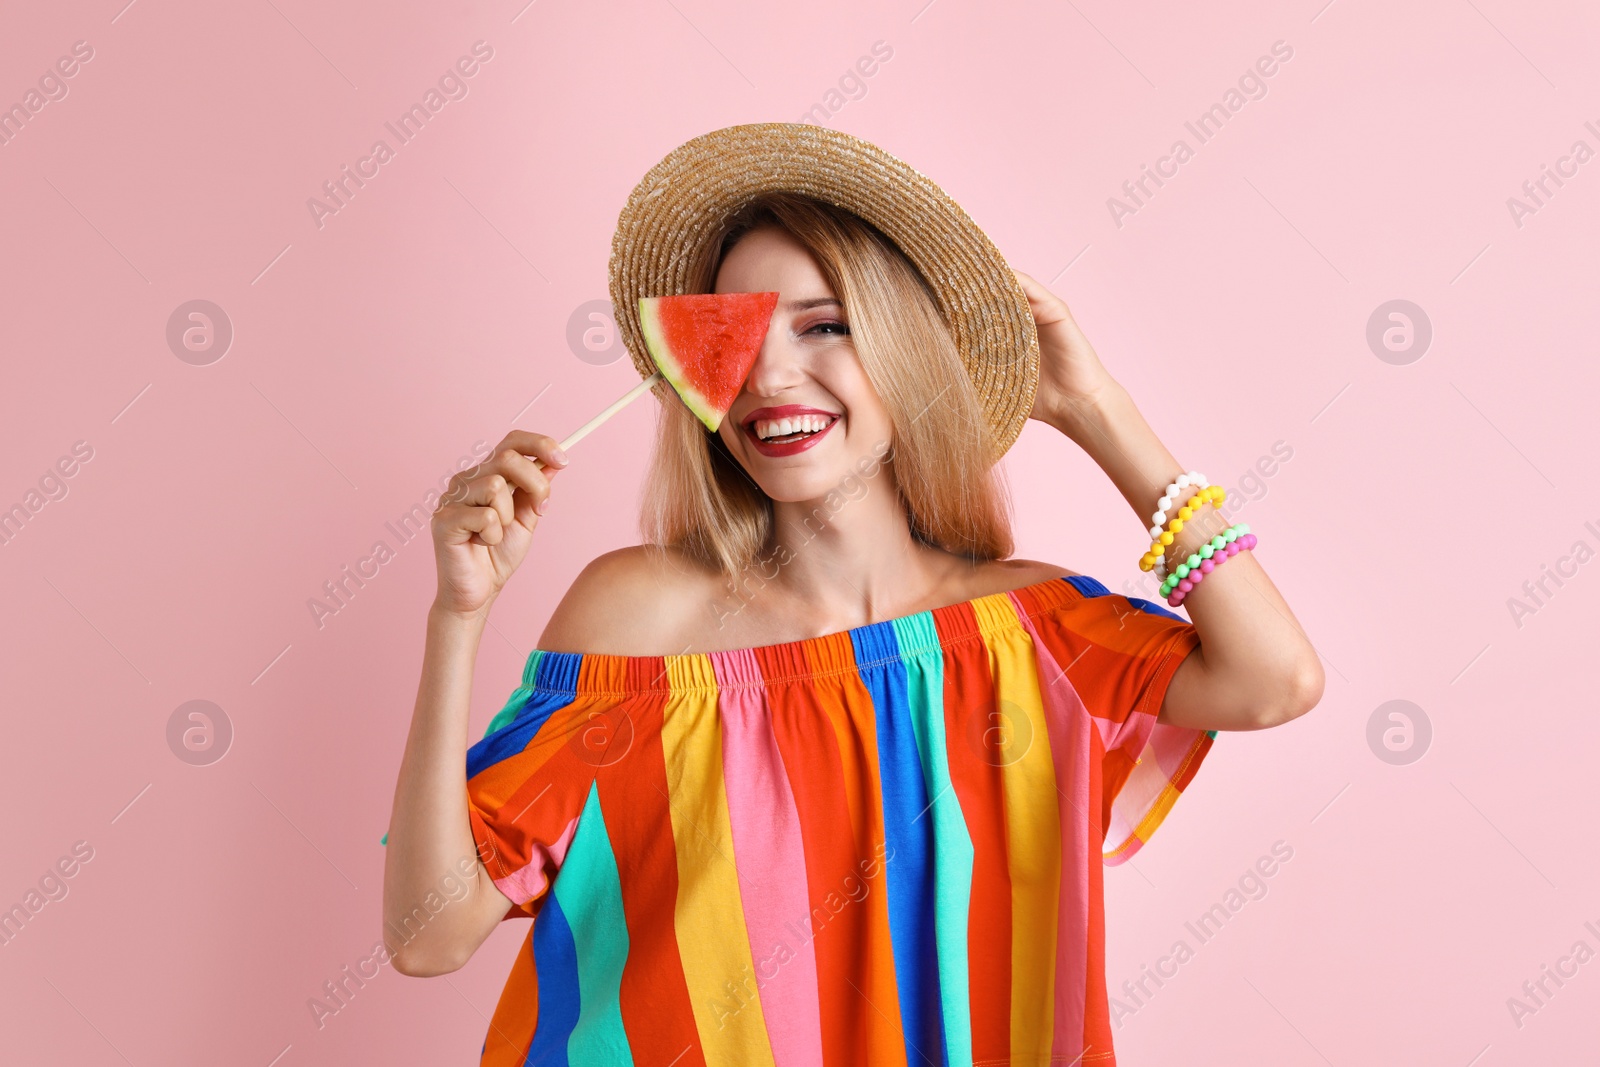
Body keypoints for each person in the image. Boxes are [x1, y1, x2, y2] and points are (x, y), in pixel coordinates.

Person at [382, 124, 1323, 1066]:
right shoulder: (643, 618)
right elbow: (430, 934)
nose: (769, 375)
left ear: (903, 349)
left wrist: (1099, 412)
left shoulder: (1035, 632)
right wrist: (457, 617)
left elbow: (1275, 679)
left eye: (824, 324)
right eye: (734, 339)